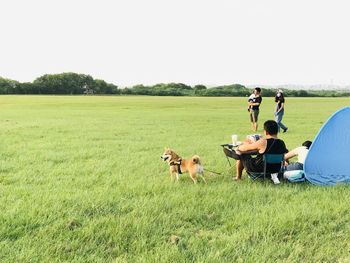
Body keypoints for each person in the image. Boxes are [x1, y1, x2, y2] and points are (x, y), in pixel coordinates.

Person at [223, 120, 288, 183]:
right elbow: (286, 155)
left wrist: (245, 143)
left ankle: (238, 176)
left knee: (242, 153)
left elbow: (243, 148)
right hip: (276, 169)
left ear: (266, 132)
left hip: (259, 169)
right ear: (277, 131)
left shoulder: (263, 142)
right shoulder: (282, 143)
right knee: (253, 151)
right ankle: (236, 153)